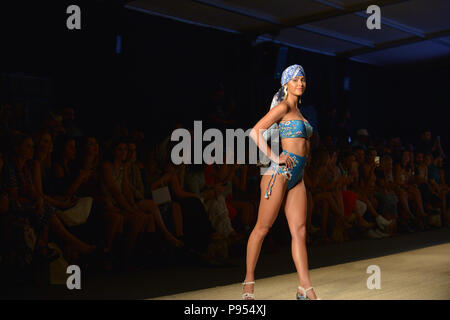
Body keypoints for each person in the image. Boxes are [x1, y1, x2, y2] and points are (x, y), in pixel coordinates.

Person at [243, 64, 319, 300]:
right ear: (285, 84)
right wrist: (275, 157)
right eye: (295, 80)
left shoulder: (301, 113)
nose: (300, 83)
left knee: (300, 231)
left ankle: (305, 287)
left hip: (298, 175)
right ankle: (248, 284)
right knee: (262, 228)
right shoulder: (284, 107)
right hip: (280, 173)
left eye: (303, 80)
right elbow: (255, 131)